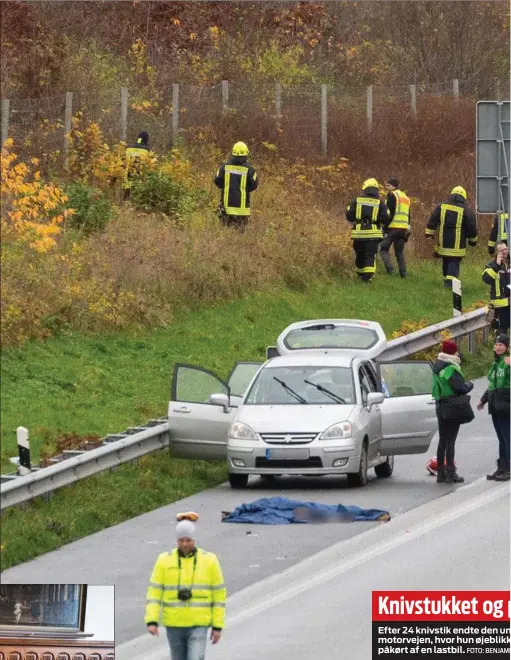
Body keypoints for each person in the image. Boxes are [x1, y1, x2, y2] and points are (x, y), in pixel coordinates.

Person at [145, 519, 226, 660]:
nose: (184, 544)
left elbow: (219, 596)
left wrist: (217, 626)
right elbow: (154, 593)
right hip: (174, 624)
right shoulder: (164, 561)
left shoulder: (210, 561)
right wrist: (151, 620)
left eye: (188, 540)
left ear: (194, 539)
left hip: (199, 624)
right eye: (181, 540)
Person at [432, 339, 474, 484]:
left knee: (442, 440)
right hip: (452, 405)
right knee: (451, 441)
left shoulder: (437, 367)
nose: (458, 353)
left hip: (440, 405)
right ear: (452, 352)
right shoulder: (450, 368)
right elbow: (460, 388)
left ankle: (440, 474)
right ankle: (451, 473)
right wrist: (470, 384)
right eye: (456, 351)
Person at [425, 186, 478, 288]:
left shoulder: (441, 206)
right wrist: (473, 241)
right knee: (454, 262)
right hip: (458, 246)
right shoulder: (467, 210)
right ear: (464, 197)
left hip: (443, 243)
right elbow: (472, 227)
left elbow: (433, 220)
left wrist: (429, 234)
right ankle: (450, 284)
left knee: (446, 261)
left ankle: (447, 280)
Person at [477, 334, 510, 481]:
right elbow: (492, 385)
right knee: (501, 438)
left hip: (505, 404)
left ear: (507, 347)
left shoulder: (508, 362)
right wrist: (483, 400)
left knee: (507, 438)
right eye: (496, 345)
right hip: (495, 405)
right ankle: (501, 467)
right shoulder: (495, 363)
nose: (497, 347)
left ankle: (508, 469)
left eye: (501, 345)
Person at [345, 178, 390, 282]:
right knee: (370, 255)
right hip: (373, 234)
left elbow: (348, 213)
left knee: (359, 254)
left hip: (359, 234)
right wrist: (379, 221)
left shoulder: (357, 199)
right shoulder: (380, 202)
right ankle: (367, 277)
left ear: (365, 187)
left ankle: (360, 275)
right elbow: (387, 216)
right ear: (376, 189)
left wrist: (355, 220)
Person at [214, 141, 258, 234]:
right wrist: (245, 189)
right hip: (242, 211)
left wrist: (226, 187)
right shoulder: (250, 170)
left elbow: (217, 181)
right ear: (246, 154)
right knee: (239, 237)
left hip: (226, 209)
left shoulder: (224, 167)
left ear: (233, 153)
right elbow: (254, 185)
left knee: (224, 235)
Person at [379, 176, 411, 278]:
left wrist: (384, 227)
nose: (386, 187)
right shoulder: (405, 197)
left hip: (393, 228)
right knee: (399, 252)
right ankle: (404, 274)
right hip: (403, 229)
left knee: (383, 248)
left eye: (388, 185)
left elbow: (390, 213)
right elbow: (408, 215)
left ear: (393, 186)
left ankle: (390, 270)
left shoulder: (392, 195)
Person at [482, 241, 510, 337]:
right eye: (501, 250)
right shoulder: (491, 265)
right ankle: (499, 350)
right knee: (501, 333)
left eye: (506, 249)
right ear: (496, 253)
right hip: (500, 306)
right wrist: (496, 266)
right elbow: (486, 279)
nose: (504, 252)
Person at [123, 130, 151, 199]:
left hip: (127, 179)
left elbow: (122, 162)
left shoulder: (128, 148)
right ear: (146, 140)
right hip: (139, 180)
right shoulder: (146, 150)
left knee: (126, 201)